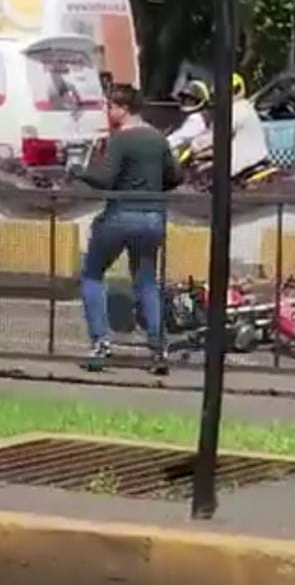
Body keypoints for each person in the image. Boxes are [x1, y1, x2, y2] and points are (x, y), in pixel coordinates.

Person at [71, 84, 181, 375]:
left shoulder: (122, 139)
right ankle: (158, 350)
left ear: (122, 108)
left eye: (109, 107)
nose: (107, 113)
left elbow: (106, 178)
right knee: (146, 282)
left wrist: (80, 173)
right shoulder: (159, 139)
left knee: (92, 274)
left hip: (121, 215)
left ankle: (100, 343)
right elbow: (176, 176)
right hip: (153, 218)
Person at [191, 72, 271, 181]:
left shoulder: (234, 111)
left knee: (204, 177)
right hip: (256, 159)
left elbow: (215, 136)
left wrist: (196, 144)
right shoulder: (246, 107)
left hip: (243, 165)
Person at [166, 79, 211, 155]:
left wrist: (160, 144)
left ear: (199, 100)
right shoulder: (188, 116)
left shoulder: (196, 119)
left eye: (190, 99)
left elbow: (178, 139)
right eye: (184, 98)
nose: (186, 101)